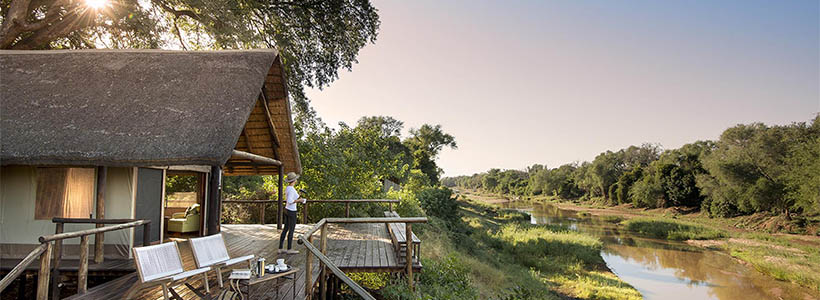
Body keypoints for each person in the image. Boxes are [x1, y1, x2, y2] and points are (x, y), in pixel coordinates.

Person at [279, 172, 306, 254]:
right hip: (291, 211)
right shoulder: (291, 189)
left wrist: (300, 196)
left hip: (287, 210)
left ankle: (280, 248)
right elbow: (290, 201)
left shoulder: (288, 188)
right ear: (294, 180)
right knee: (291, 230)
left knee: (285, 229)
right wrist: (300, 200)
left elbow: (294, 197)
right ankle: (289, 249)